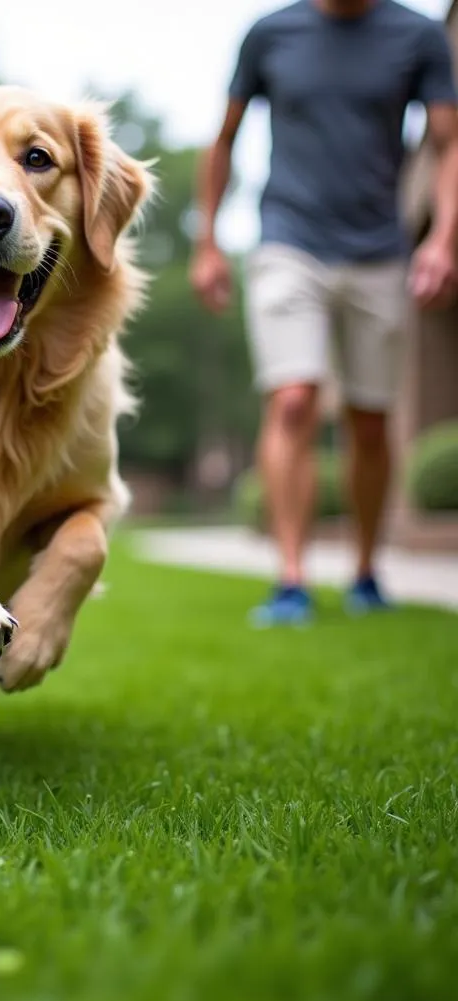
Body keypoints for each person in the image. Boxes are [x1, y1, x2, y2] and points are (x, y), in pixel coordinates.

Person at [191, 0, 458, 626]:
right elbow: (224, 139)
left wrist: (443, 239)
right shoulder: (270, 34)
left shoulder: (417, 36)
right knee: (293, 398)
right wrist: (207, 241)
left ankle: (366, 570)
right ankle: (291, 578)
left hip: (379, 250)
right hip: (288, 240)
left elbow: (448, 145)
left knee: (370, 419)